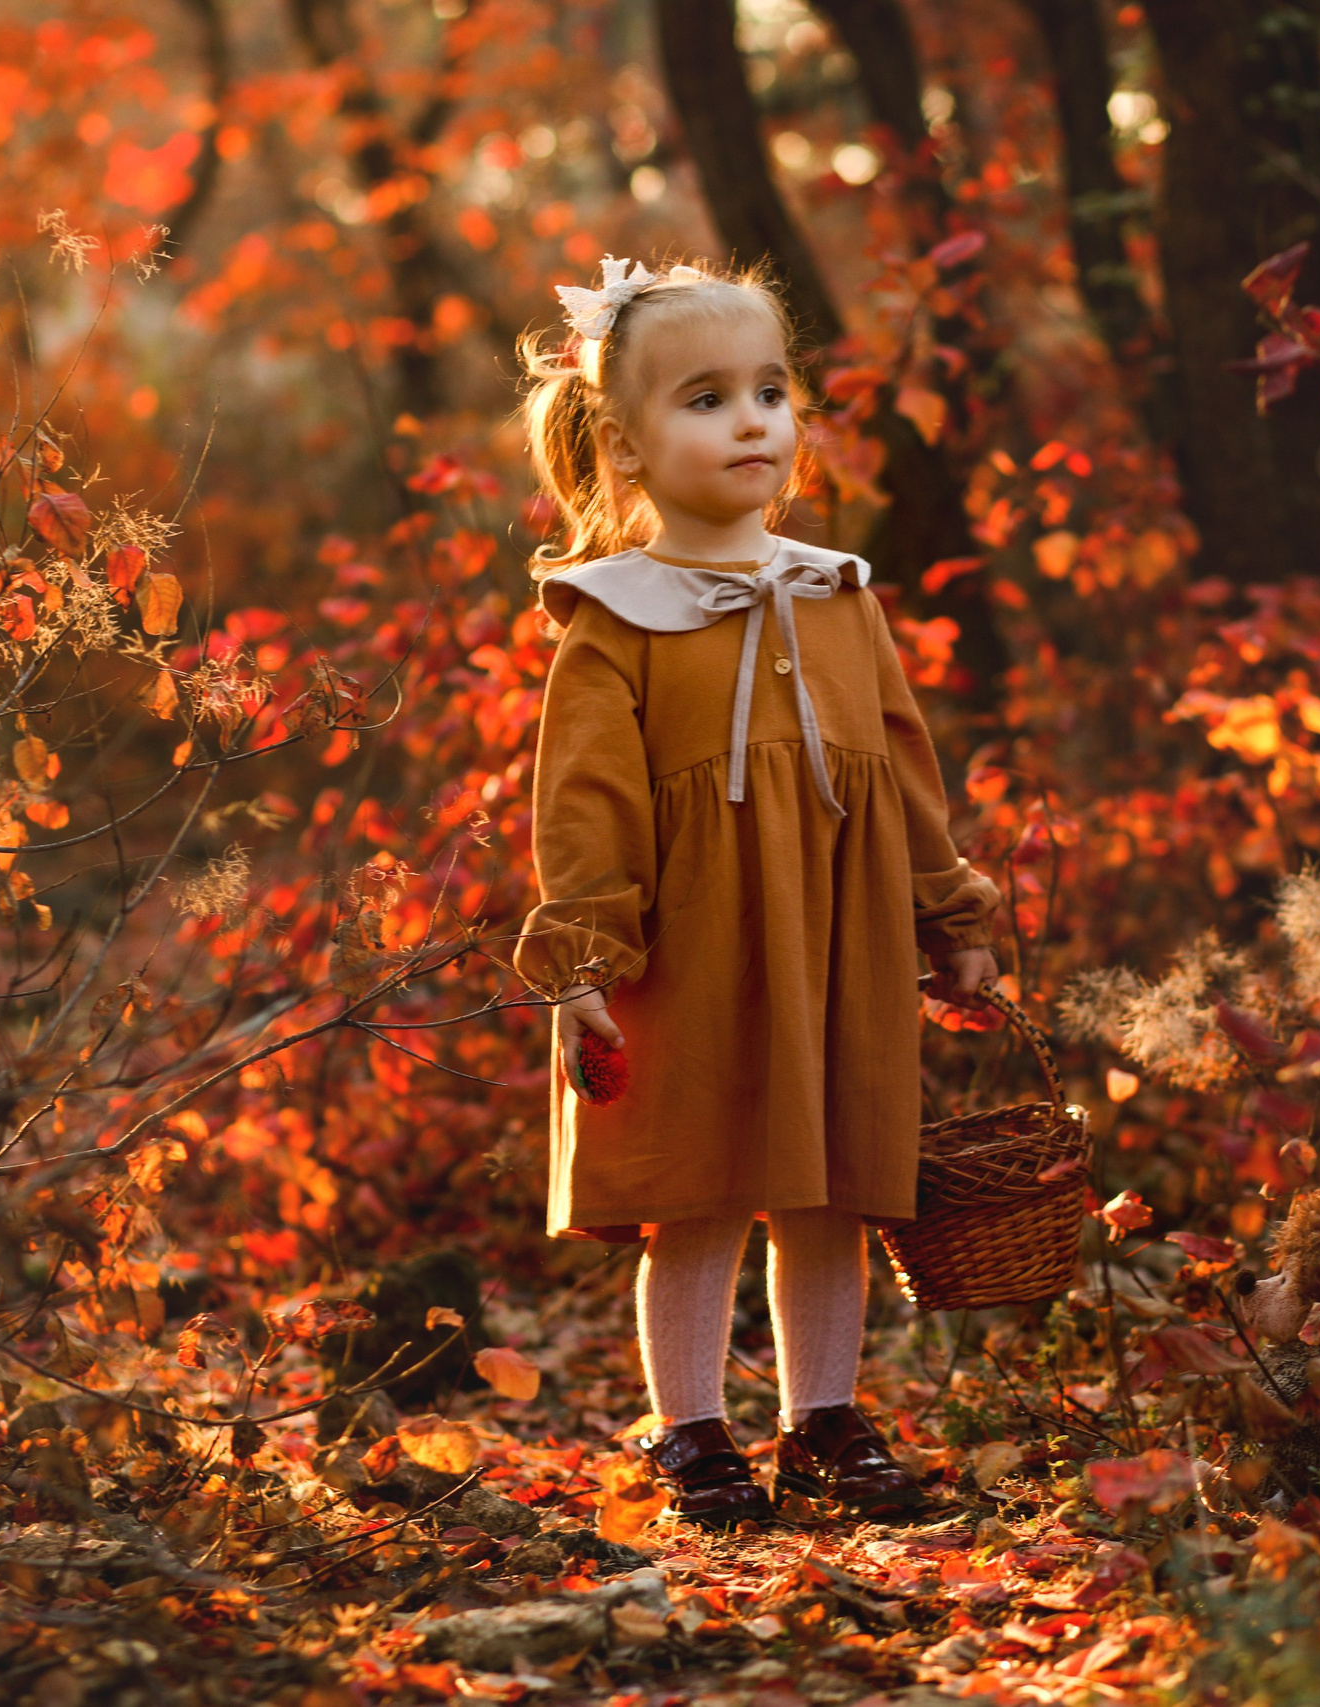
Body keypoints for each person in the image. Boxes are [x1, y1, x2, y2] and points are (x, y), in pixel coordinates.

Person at [511, 256, 1001, 1530]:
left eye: (770, 392)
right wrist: (581, 963)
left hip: (836, 935)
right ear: (624, 443)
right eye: (707, 399)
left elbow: (903, 769)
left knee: (829, 1184)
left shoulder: (836, 594)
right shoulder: (611, 619)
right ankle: (691, 1431)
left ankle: (822, 1418)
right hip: (693, 946)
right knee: (700, 1188)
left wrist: (948, 915)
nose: (752, 422)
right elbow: (582, 808)